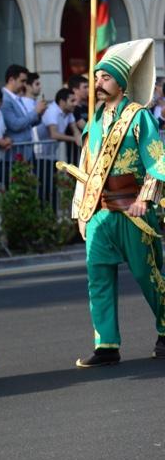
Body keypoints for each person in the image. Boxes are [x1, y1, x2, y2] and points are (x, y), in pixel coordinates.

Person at [69, 39, 165, 367]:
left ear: (121, 84)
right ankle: (106, 344)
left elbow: (158, 161)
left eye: (105, 77)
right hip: (100, 210)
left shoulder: (139, 118)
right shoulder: (93, 120)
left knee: (147, 274)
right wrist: (81, 209)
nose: (97, 83)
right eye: (95, 78)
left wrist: (145, 198)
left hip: (133, 209)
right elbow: (86, 165)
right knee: (98, 276)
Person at [1, 64, 47, 159]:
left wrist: (39, 114)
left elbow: (26, 122)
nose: (24, 85)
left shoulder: (16, 97)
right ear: (11, 80)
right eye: (22, 81)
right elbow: (15, 125)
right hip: (16, 152)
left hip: (26, 150)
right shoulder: (5, 99)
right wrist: (35, 111)